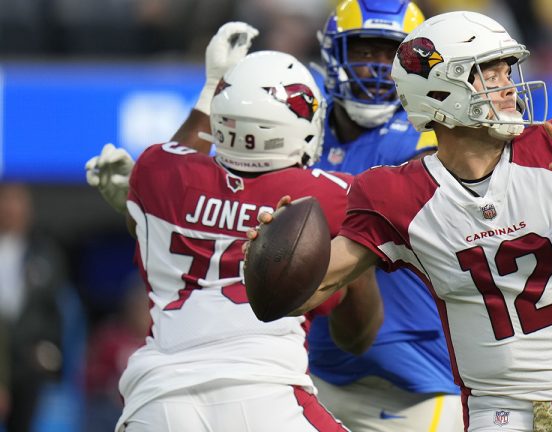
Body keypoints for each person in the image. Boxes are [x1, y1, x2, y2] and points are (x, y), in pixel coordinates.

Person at [247, 11, 552, 432]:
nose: (509, 87)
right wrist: (269, 257)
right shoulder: (398, 194)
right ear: (441, 90)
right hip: (502, 417)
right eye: (491, 73)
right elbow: (311, 287)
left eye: (508, 72)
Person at [86, 23, 383, 432]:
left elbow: (177, 163)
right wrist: (356, 262)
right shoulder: (332, 197)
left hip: (156, 401)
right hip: (265, 396)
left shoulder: (157, 169)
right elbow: (358, 335)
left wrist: (211, 88)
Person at [307, 1, 462, 430]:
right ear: (335, 54)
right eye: (363, 50)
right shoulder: (304, 129)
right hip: (318, 372)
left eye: (388, 54)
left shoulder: (423, 134)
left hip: (423, 383)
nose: (376, 67)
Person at [0, 183, 68, 432]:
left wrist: (48, 351)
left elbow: (52, 309)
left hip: (27, 361)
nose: (9, 209)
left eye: (16, 202)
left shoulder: (45, 253)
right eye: (5, 201)